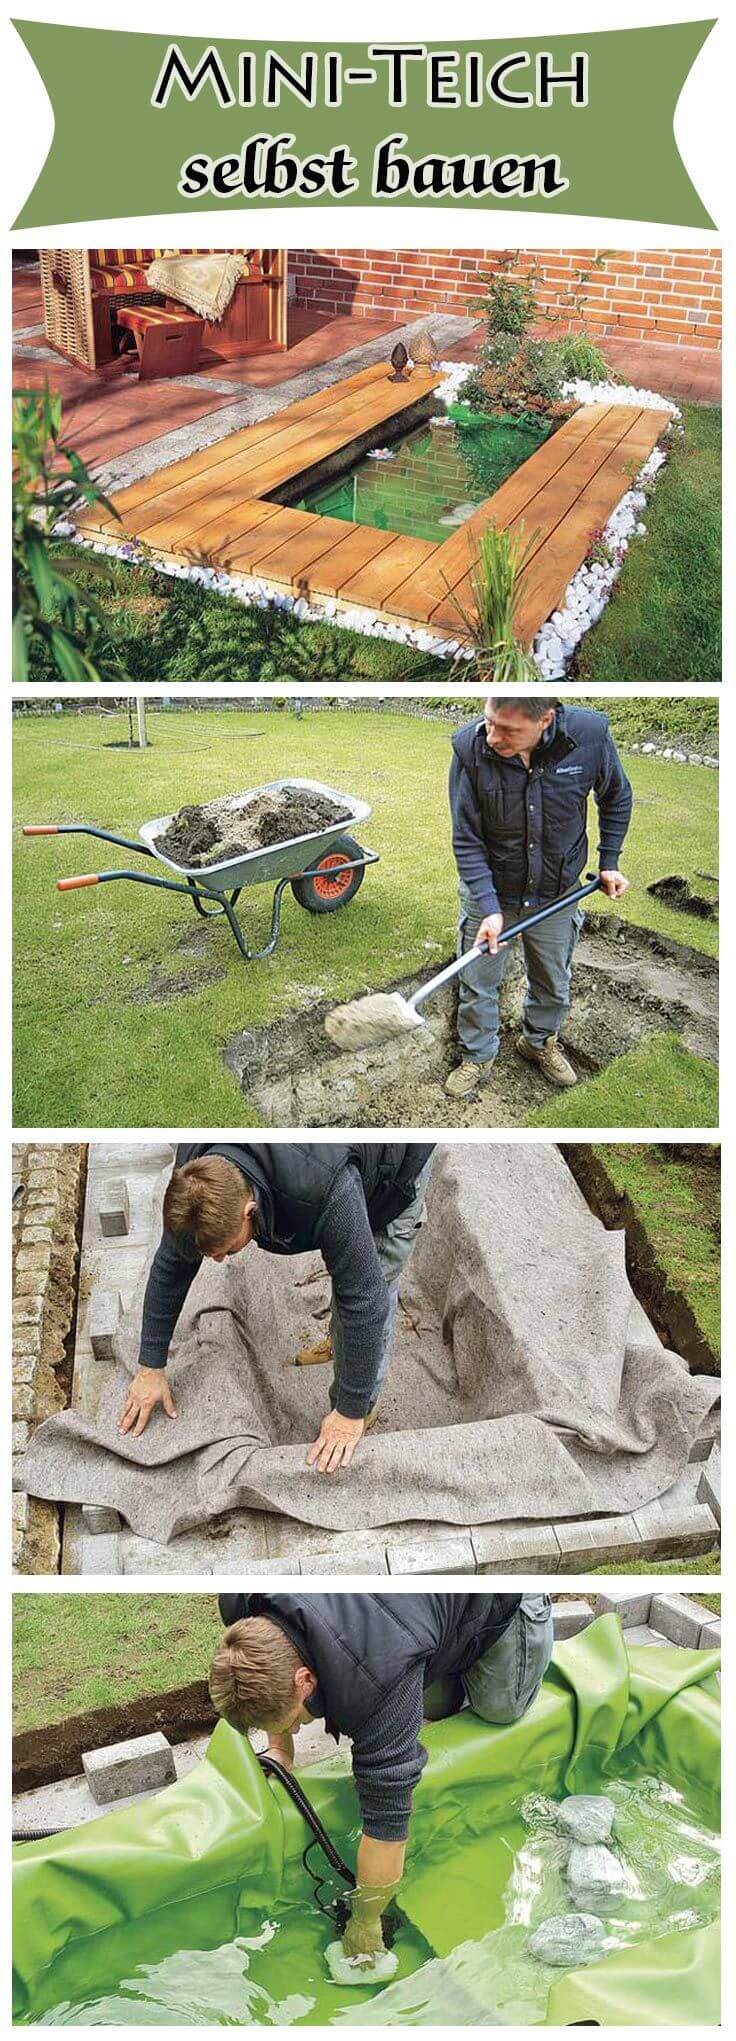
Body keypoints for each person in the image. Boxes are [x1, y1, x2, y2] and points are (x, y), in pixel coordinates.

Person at [210, 1591, 554, 1959]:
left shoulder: (378, 1681)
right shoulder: (242, 1603)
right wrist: (280, 1750)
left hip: (501, 1599)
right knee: (435, 1704)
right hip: (404, 1618)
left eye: (293, 1723)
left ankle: (530, 1619)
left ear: (306, 1680)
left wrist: (365, 1921)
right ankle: (446, 1652)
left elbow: (387, 1823)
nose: (295, 1730)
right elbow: (273, 1678)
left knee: (501, 1709)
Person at [118, 1142, 435, 1474]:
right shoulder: (192, 1177)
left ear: (249, 1210)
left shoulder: (323, 1188)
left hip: (394, 1170)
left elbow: (366, 1302)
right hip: (338, 1171)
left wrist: (349, 1410)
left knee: (373, 1279)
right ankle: (342, 1346)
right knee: (352, 1262)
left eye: (225, 1250)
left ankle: (362, 1411)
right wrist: (150, 1367)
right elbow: (171, 1267)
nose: (220, 1260)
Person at [446, 695, 633, 1097]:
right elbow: (466, 839)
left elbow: (616, 795)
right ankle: (478, 1054)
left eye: (508, 730)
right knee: (479, 981)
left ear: (545, 720)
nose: (492, 736)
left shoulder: (590, 737)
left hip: (556, 892)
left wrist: (610, 860)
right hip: (491, 890)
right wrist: (490, 908)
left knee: (552, 978)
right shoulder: (469, 750)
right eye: (489, 721)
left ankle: (538, 1042)